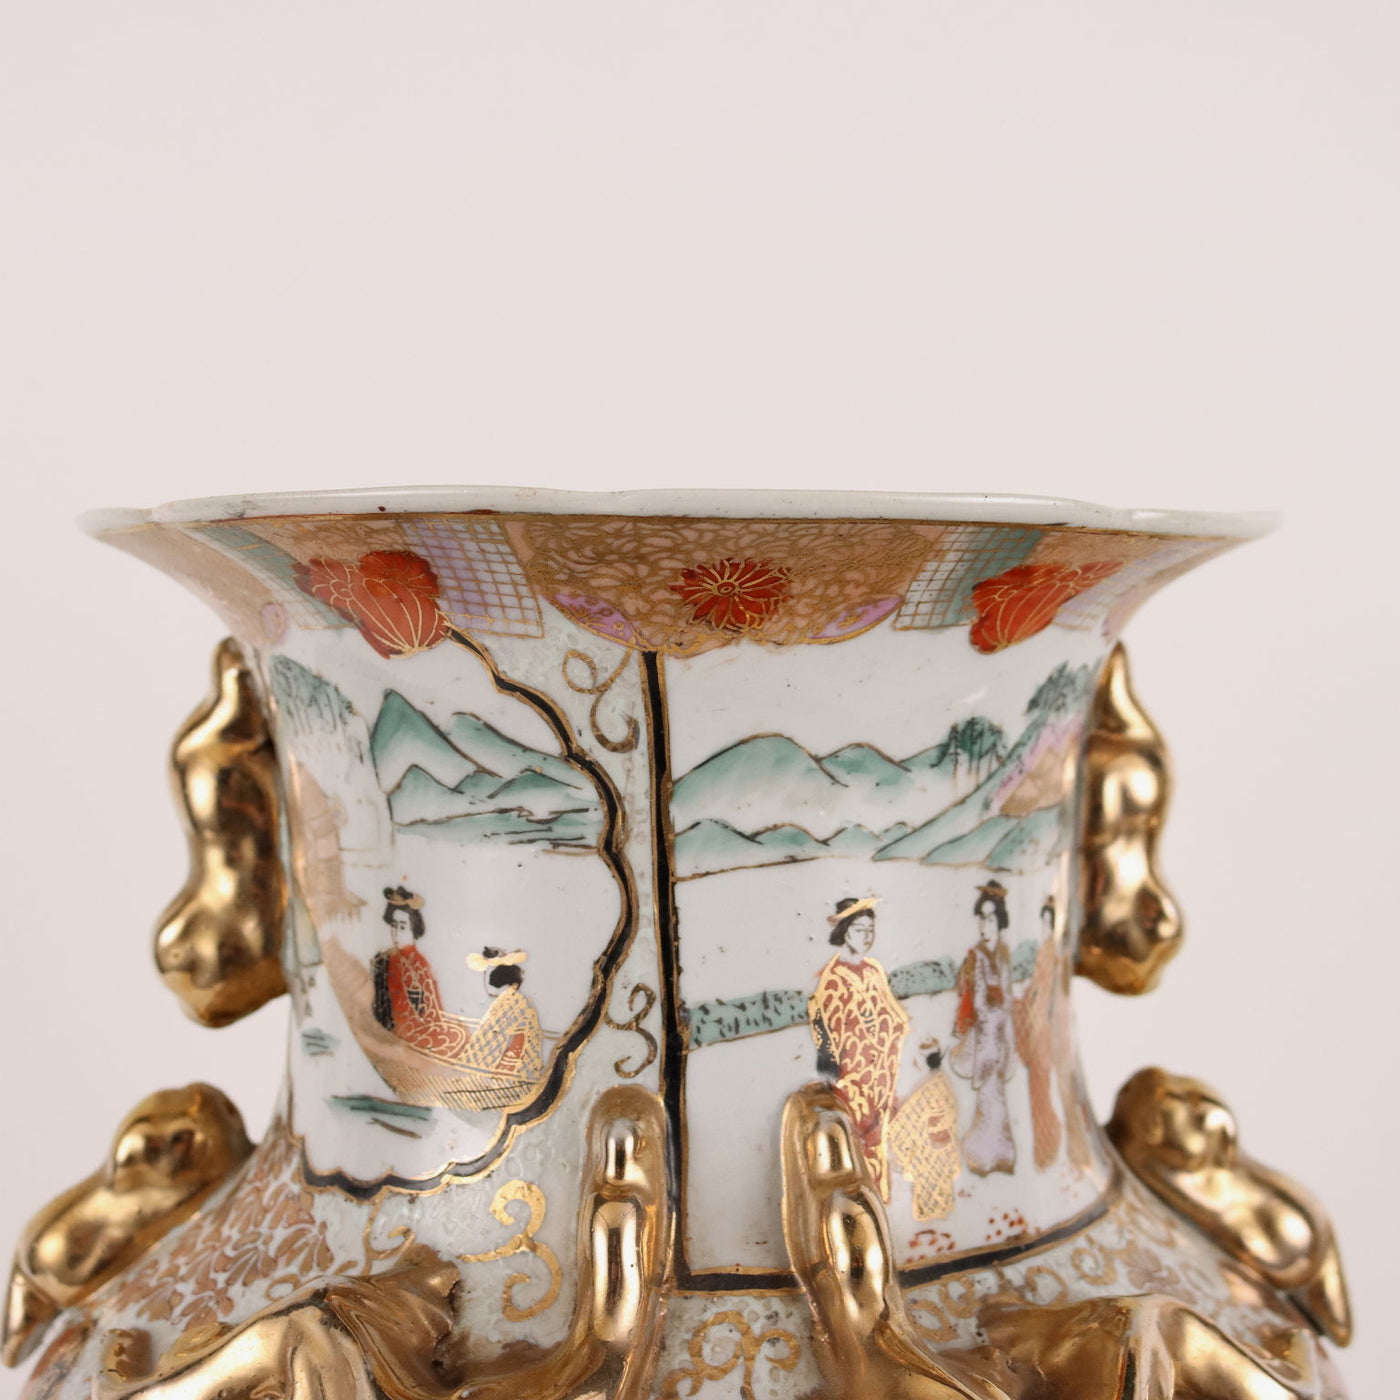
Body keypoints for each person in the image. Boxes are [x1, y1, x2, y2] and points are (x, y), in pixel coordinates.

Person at [808, 897, 910, 1198]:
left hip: (880, 1073)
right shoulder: (834, 978)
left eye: (870, 930)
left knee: (879, 1136)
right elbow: (832, 1028)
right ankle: (860, 1199)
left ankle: (878, 1196)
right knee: (856, 1134)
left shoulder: (874, 971)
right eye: (859, 930)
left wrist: (882, 1028)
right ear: (844, 931)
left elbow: (896, 1018)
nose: (866, 937)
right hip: (851, 1074)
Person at [949, 880, 1017, 1175]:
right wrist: (995, 1016)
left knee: (999, 1095)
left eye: (990, 919)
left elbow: (1008, 993)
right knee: (989, 1097)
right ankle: (983, 1155)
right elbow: (978, 1001)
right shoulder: (976, 957)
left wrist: (1007, 1024)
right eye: (982, 918)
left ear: (1000, 921)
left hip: (1002, 1032)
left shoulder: (1003, 953)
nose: (984, 925)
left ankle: (1001, 1153)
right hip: (987, 1034)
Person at [370, 887, 471, 1059]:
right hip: (399, 1025)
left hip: (417, 1025)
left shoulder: (419, 963)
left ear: (414, 929)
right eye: (394, 926)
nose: (396, 932)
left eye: (402, 926)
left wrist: (433, 1025)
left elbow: (432, 1007)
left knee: (458, 1035)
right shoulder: (387, 959)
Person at [1012, 893, 1064, 1169]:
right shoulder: (1047, 951)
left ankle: (1047, 1142)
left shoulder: (1051, 953)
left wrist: (1025, 1005)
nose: (1044, 927)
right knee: (1038, 1088)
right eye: (1042, 921)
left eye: (1047, 922)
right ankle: (1045, 1142)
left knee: (1041, 1085)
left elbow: (1044, 994)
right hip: (1038, 1024)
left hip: (1042, 1029)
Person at [459, 947, 546, 1109]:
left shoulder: (511, 1000)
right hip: (516, 1048)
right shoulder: (515, 999)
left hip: (514, 1049)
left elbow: (493, 1030)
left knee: (500, 1069)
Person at [888, 1040, 961, 1220]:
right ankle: (937, 1210)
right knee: (936, 1180)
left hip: (931, 1147)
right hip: (937, 1146)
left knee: (932, 1180)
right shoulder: (943, 1084)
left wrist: (897, 1122)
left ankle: (934, 1210)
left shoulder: (928, 1088)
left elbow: (909, 1117)